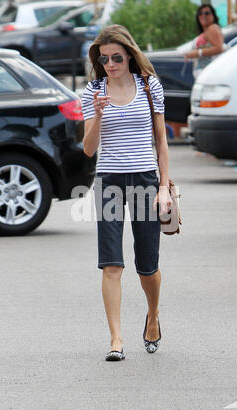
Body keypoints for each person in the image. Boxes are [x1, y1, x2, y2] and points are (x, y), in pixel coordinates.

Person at [82, 25, 172, 361]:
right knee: (111, 265)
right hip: (108, 181)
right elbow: (89, 149)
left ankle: (153, 315)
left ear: (129, 55)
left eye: (116, 57)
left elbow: (161, 141)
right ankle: (116, 339)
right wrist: (98, 114)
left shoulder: (150, 86)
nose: (110, 63)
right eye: (104, 58)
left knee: (147, 266)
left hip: (145, 179)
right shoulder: (94, 91)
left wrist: (163, 186)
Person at [185, 4, 224, 79]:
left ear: (213, 15)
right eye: (200, 13)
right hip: (205, 75)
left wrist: (197, 52)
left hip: (210, 75)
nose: (203, 15)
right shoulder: (207, 30)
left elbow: (219, 48)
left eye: (207, 13)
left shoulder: (213, 28)